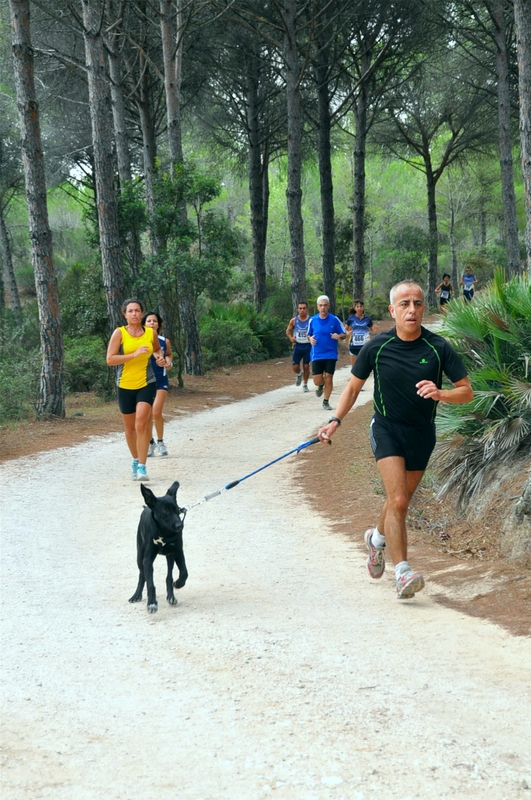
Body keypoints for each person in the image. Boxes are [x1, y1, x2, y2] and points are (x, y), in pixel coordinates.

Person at [316, 280, 473, 599]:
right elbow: (352, 388)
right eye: (404, 304)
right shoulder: (378, 346)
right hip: (386, 429)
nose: (412, 310)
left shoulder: (438, 347)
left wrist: (441, 393)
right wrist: (335, 421)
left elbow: (467, 392)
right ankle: (402, 572)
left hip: (422, 434)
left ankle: (375, 540)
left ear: (423, 308)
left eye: (417, 303)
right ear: (392, 310)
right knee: (399, 500)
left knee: (397, 501)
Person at [106, 297, 166, 482]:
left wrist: (159, 358)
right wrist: (133, 354)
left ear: (142, 313)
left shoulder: (150, 333)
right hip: (124, 384)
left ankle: (142, 467)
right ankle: (134, 460)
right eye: (130, 311)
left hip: (146, 383)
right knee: (130, 429)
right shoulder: (119, 333)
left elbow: (157, 350)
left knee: (141, 424)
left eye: (137, 310)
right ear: (124, 314)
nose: (134, 314)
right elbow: (110, 359)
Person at [142, 311, 173, 457]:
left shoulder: (164, 341)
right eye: (149, 321)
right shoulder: (139, 340)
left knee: (156, 412)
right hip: (144, 381)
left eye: (154, 321)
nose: (152, 323)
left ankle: (160, 442)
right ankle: (150, 443)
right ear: (143, 324)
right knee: (147, 415)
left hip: (161, 380)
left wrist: (168, 362)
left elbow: (168, 355)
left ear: (158, 324)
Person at [308, 295, 346, 411]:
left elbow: (344, 334)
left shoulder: (334, 319)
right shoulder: (312, 320)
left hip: (330, 353)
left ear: (328, 306)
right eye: (320, 305)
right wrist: (310, 339)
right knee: (317, 380)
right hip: (317, 354)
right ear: (317, 307)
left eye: (325, 305)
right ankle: (320, 385)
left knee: (329, 377)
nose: (323, 308)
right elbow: (308, 334)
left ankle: (326, 401)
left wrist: (338, 336)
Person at [286, 301, 311, 392]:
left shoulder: (311, 320)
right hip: (297, 345)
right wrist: (291, 337)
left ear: (307, 309)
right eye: (300, 308)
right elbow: (288, 331)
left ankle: (305, 384)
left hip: (308, 346)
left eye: (304, 308)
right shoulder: (294, 320)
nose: (302, 310)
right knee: (295, 366)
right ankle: (299, 374)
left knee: (306, 366)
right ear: (298, 309)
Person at [345, 300, 377, 367]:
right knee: (354, 368)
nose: (359, 308)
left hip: (365, 346)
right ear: (355, 308)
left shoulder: (368, 319)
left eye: (361, 306)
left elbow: (372, 329)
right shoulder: (351, 318)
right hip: (354, 346)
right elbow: (345, 329)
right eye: (357, 306)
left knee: (364, 367)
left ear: (363, 308)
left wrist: (375, 329)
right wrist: (348, 332)